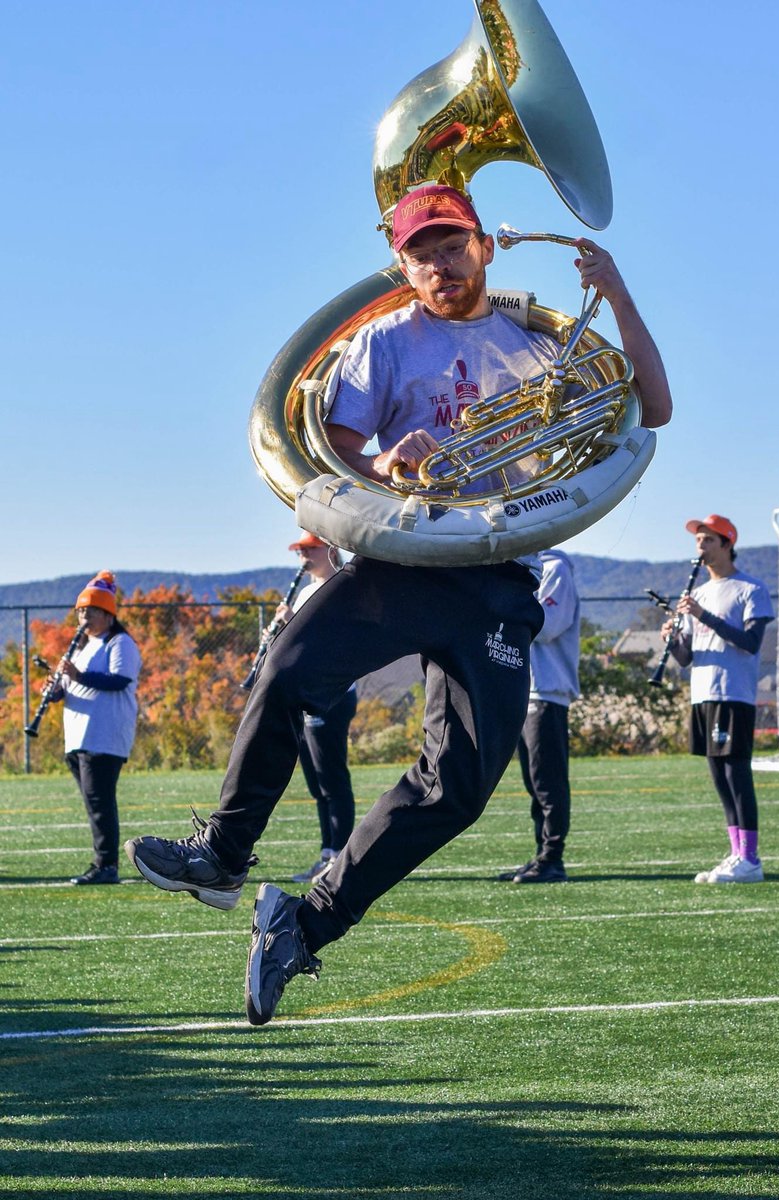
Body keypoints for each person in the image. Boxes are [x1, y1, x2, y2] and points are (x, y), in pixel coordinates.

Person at [126, 183, 672, 1024]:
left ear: (485, 246)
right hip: (407, 557)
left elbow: (654, 408)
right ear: (401, 268)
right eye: (422, 252)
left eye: (452, 244)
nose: (440, 263)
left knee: (458, 788)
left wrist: (620, 291)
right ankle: (224, 854)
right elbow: (338, 444)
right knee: (288, 670)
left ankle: (303, 925)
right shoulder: (384, 340)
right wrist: (385, 465)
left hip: (498, 581)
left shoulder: (543, 344)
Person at [660, 514, 774, 884]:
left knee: (736, 774)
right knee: (718, 777)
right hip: (703, 692)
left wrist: (703, 614)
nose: (701, 547)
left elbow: (751, 642)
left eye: (708, 540)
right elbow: (686, 657)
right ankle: (736, 853)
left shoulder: (750, 589)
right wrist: (672, 640)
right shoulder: (698, 595)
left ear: (727, 544)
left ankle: (751, 859)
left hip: (733, 693)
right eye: (698, 541)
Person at [50, 571, 141, 885]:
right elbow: (68, 686)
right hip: (78, 736)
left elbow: (120, 680)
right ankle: (102, 862)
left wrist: (77, 677)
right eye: (80, 611)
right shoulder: (80, 646)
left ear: (107, 613)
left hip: (104, 734)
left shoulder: (120, 643)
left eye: (89, 611)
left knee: (100, 802)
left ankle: (106, 865)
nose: (83, 617)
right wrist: (55, 691)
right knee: (93, 802)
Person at [278, 532, 357, 885]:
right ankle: (328, 852)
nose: (303, 557)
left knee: (332, 777)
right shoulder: (308, 589)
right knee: (316, 781)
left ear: (328, 549)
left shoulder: (341, 587)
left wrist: (294, 620)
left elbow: (333, 638)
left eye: (309, 549)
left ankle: (340, 854)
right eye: (300, 551)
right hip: (308, 691)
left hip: (333, 692)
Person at [498, 549, 580, 884]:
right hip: (526, 689)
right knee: (534, 781)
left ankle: (552, 860)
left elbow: (546, 627)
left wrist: (504, 602)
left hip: (546, 689)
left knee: (547, 780)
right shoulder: (521, 565)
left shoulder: (555, 567)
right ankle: (541, 856)